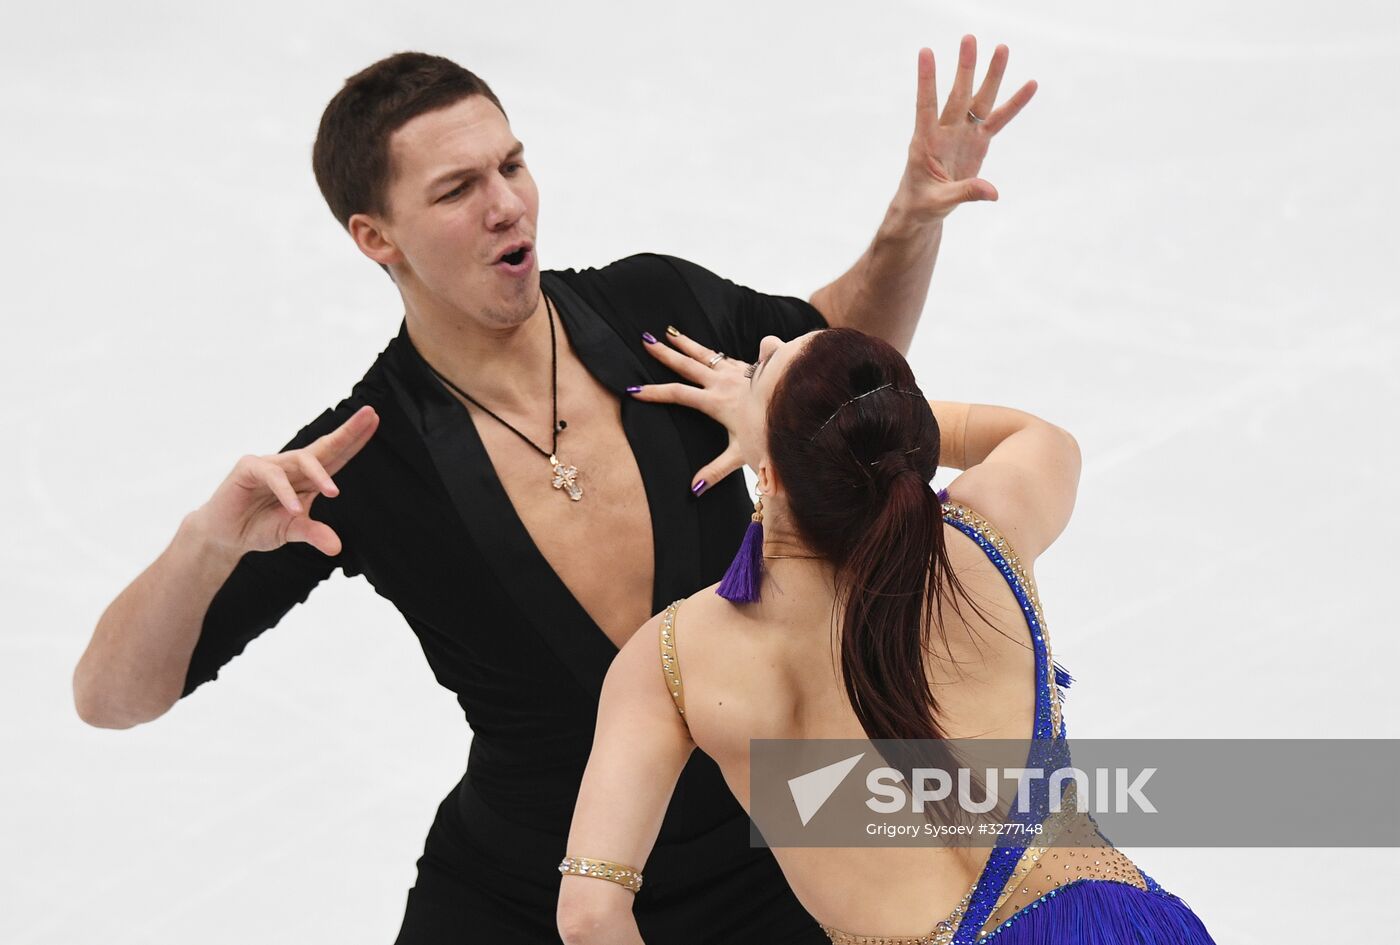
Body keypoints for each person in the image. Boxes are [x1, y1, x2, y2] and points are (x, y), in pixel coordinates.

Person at [71, 39, 1036, 943]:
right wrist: (205, 542)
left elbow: (830, 387)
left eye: (512, 164)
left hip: (779, 850)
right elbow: (111, 698)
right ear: (375, 236)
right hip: (534, 890)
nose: (508, 205)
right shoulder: (358, 459)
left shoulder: (655, 311)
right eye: (458, 189)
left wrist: (910, 224)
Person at [557, 327, 1218, 943]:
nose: (767, 339)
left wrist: (782, 434)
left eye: (763, 369)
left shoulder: (672, 658)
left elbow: (588, 916)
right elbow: (1043, 437)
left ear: (774, 473)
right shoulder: (985, 531)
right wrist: (842, 427)